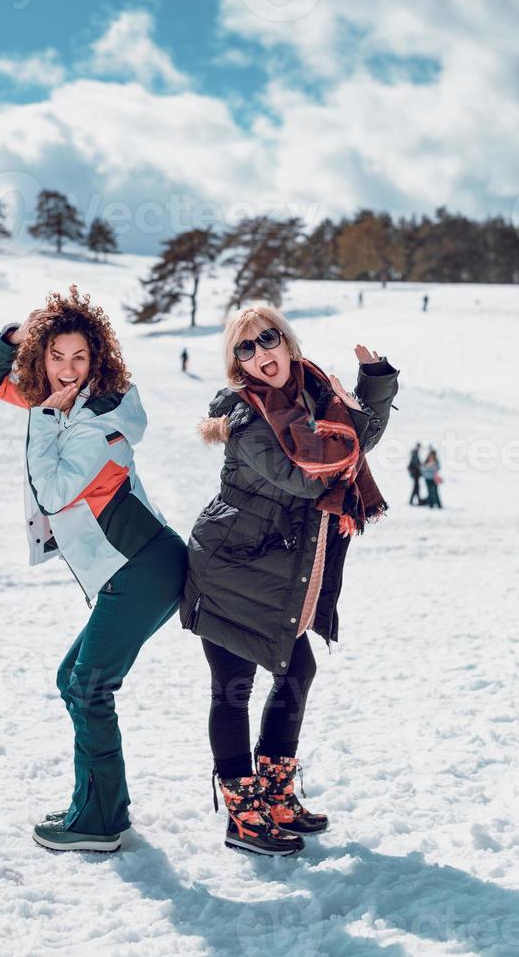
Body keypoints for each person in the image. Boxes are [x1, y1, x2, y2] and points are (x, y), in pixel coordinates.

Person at [0, 285, 187, 853]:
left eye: (80, 357)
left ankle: (97, 823)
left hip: (142, 566)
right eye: (55, 356)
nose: (67, 370)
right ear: (42, 358)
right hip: (135, 567)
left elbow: (55, 489)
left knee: (88, 687)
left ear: (98, 361)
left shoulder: (95, 415)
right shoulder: (58, 399)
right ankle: (101, 807)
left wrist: (43, 414)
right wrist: (15, 338)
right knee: (75, 681)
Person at [180, 303, 399, 856]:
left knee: (295, 669)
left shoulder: (317, 394)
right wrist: (357, 414)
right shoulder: (245, 416)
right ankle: (242, 813)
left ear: (287, 341)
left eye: (267, 339)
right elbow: (308, 475)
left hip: (274, 569)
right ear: (237, 365)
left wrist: (375, 383)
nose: (260, 355)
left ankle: (275, 794)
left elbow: (353, 441)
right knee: (233, 687)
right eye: (244, 349)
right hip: (231, 568)